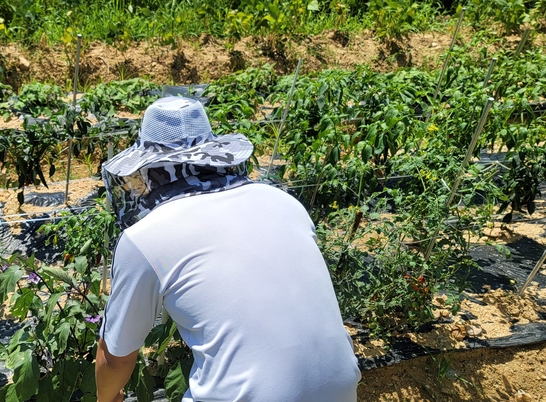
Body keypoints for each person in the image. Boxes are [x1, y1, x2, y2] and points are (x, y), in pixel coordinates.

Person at [95, 97, 361, 402]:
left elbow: (115, 359)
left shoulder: (145, 237)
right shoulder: (284, 203)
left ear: (148, 170)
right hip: (342, 390)